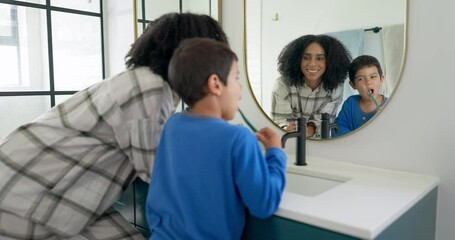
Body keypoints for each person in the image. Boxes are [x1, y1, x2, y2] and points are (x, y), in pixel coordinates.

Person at [0, 13, 228, 239]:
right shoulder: (149, 87)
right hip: (28, 187)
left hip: (45, 183)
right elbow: (158, 170)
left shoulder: (146, 83)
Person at [145, 38, 287, 240]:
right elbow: (264, 204)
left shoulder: (172, 125)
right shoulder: (239, 138)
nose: (240, 90)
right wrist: (275, 153)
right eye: (236, 78)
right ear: (215, 84)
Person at [271, 34, 351, 138]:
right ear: (297, 59)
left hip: (319, 145)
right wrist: (287, 128)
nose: (312, 64)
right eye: (306, 58)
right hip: (288, 142)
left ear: (331, 61)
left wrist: (309, 130)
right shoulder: (282, 85)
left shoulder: (336, 87)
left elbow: (325, 121)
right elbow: (280, 121)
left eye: (320, 58)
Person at [332, 55, 387, 137]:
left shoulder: (389, 105)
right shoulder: (350, 104)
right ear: (353, 84)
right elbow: (337, 130)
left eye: (373, 77)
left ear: (381, 78)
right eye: (361, 79)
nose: (368, 82)